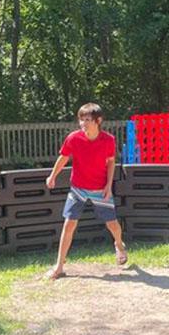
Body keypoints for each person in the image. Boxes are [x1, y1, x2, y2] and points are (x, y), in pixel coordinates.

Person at [44, 102, 128, 279]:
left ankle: (119, 245)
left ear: (98, 121)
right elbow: (63, 157)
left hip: (100, 189)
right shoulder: (73, 138)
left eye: (87, 120)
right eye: (81, 120)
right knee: (69, 224)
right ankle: (59, 267)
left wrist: (108, 185)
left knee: (112, 224)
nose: (83, 123)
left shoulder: (108, 140)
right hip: (78, 189)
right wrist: (52, 176)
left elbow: (111, 161)